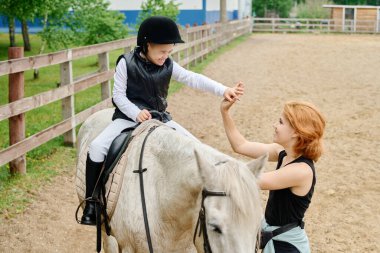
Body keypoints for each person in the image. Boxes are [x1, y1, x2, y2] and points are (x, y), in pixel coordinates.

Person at [80, 16, 244, 225]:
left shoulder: (167, 64)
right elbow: (118, 96)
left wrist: (224, 89)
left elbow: (192, 78)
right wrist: (135, 112)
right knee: (96, 147)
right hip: (128, 119)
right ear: (147, 45)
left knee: (196, 147)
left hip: (159, 118)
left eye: (169, 52)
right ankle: (92, 203)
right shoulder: (125, 63)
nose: (166, 56)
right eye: (162, 51)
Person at [220, 88, 325, 253]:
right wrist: (225, 112)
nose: (275, 125)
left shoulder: (302, 171)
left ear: (296, 133)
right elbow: (240, 145)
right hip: (273, 237)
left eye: (281, 122)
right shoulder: (282, 153)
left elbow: (251, 180)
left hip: (287, 247)